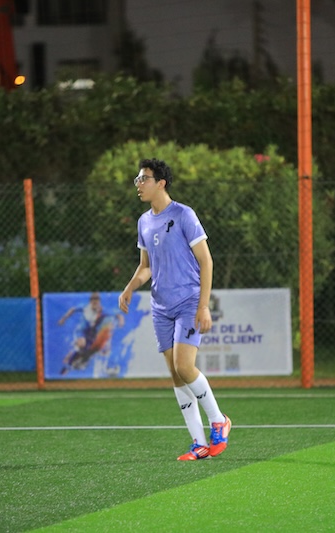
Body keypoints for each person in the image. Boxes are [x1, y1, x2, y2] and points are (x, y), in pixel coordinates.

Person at [118, 158, 231, 461]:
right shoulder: (144, 222)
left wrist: (203, 306)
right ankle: (199, 444)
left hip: (188, 302)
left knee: (184, 366)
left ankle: (218, 420)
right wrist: (130, 287)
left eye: (144, 179)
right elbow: (146, 267)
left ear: (161, 183)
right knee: (176, 375)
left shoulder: (183, 215)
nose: (138, 184)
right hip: (160, 307)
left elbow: (206, 261)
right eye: (137, 179)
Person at [58, 292, 124, 376]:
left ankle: (106, 369)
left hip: (92, 335)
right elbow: (73, 309)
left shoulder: (103, 311)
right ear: (90, 301)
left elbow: (118, 315)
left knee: (101, 350)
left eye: (96, 299)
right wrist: (63, 318)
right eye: (93, 299)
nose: (94, 301)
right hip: (82, 332)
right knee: (81, 343)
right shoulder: (85, 307)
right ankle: (68, 363)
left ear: (99, 301)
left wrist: (121, 322)